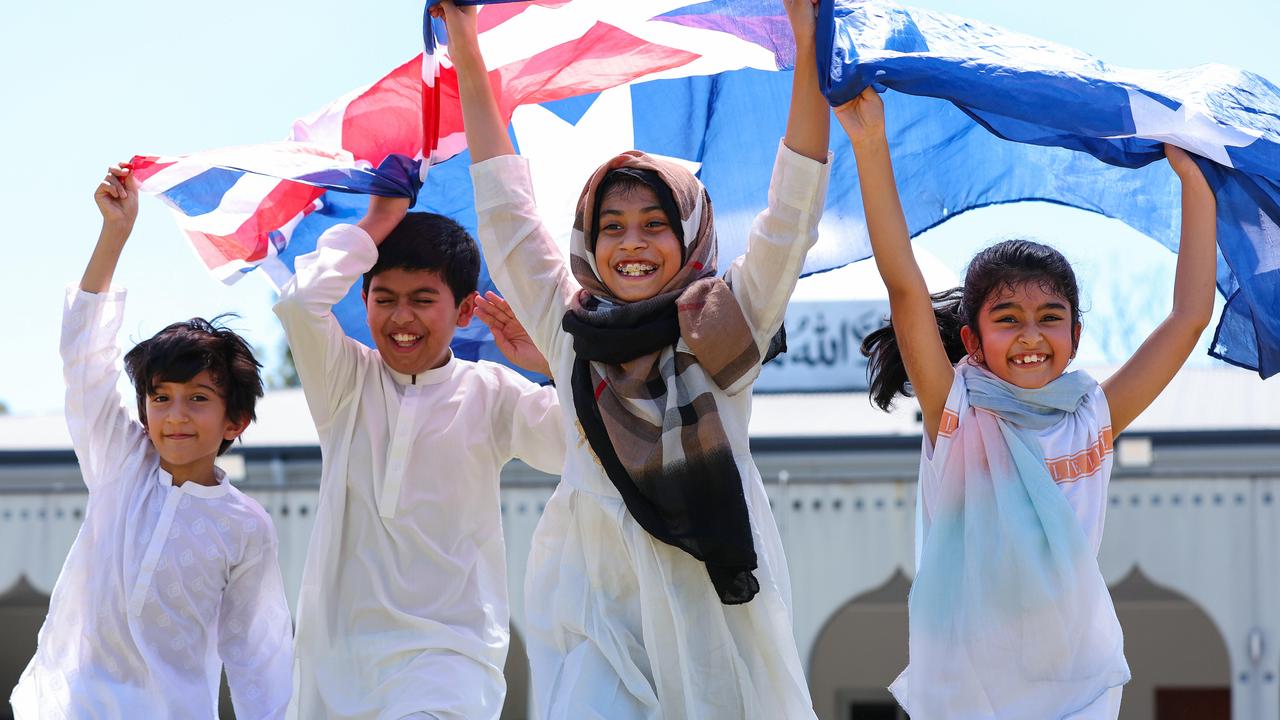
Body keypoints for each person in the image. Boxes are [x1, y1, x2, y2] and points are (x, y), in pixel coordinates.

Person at [436, 0, 832, 716]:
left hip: (710, 602)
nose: (632, 244)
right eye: (612, 227)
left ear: (691, 235)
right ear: (589, 241)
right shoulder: (570, 330)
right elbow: (506, 214)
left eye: (656, 224)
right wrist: (465, 42)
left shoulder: (722, 324)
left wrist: (808, 50)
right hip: (594, 607)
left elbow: (792, 214)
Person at [839, 86, 1218, 718]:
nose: (1030, 337)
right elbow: (905, 289)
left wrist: (1196, 183)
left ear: (1075, 336)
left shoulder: (1091, 418)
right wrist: (870, 143)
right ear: (972, 341)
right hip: (969, 694)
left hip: (1076, 692)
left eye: (1050, 317)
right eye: (1007, 318)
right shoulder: (958, 413)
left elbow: (1189, 315)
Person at [11, 164, 292, 719]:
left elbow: (260, 657)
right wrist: (114, 233)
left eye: (198, 398)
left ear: (235, 421)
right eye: (160, 398)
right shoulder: (121, 464)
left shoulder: (245, 528)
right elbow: (83, 358)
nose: (175, 415)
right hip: (73, 707)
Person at [274, 192, 565, 719]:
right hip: (338, 668)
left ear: (465, 310)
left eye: (422, 299)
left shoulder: (493, 391)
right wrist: (376, 223)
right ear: (363, 301)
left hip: (452, 659)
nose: (400, 317)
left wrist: (553, 362)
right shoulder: (345, 380)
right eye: (384, 298)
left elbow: (579, 448)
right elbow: (299, 304)